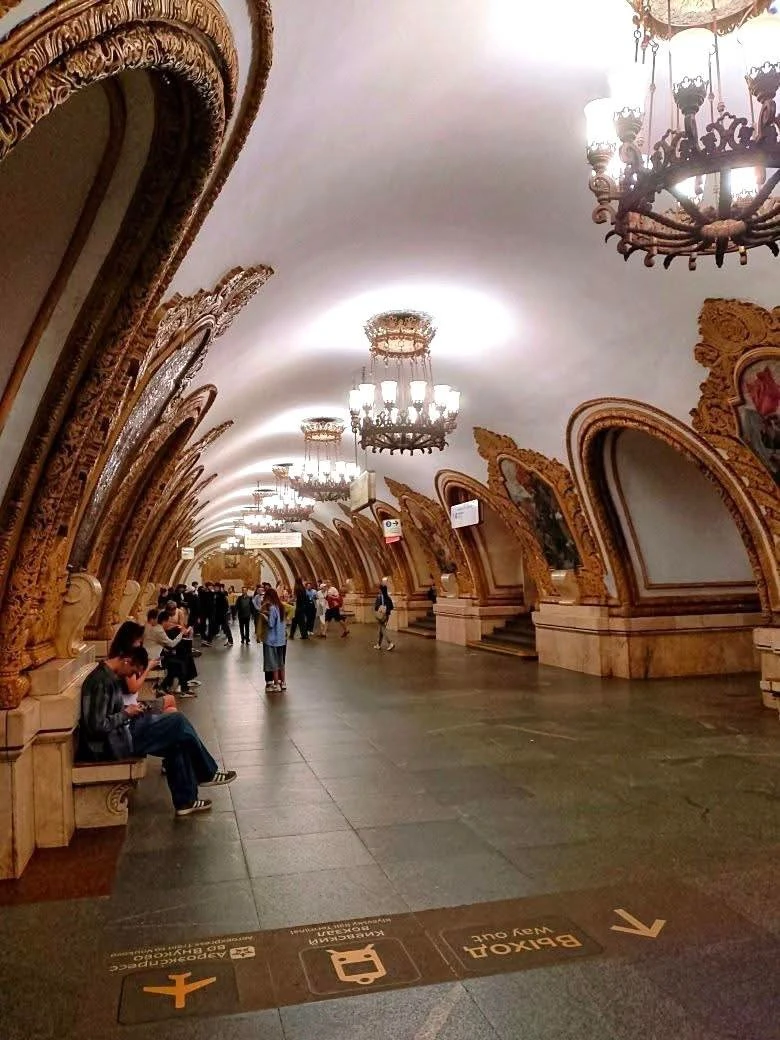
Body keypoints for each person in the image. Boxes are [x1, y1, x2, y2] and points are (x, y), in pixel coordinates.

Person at [79, 645, 236, 817]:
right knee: (178, 721)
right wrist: (126, 713)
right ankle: (206, 773)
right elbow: (96, 726)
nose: (131, 675)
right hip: (113, 744)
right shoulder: (101, 682)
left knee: (177, 740)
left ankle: (186, 801)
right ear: (126, 661)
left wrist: (130, 710)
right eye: (133, 671)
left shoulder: (108, 677)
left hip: (121, 734)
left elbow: (106, 714)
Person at [144, 608, 194, 696]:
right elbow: (171, 644)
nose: (169, 623)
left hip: (153, 655)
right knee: (180, 663)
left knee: (176, 665)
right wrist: (181, 634)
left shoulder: (150, 627)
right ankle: (182, 689)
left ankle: (166, 687)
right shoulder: (158, 629)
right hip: (155, 658)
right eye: (168, 621)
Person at [261, 587, 287, 693]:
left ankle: (276, 684)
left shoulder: (272, 608)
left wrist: (265, 616)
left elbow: (271, 624)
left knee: (273, 663)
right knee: (281, 662)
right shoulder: (281, 606)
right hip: (281, 639)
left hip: (272, 640)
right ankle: (283, 683)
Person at [374, 578, 395, 651]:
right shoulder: (388, 597)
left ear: (381, 590)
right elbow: (392, 607)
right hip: (387, 616)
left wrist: (380, 609)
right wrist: (387, 610)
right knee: (381, 629)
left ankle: (390, 643)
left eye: (379, 589)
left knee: (382, 629)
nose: (378, 590)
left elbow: (376, 607)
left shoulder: (379, 597)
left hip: (381, 615)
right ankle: (378, 644)